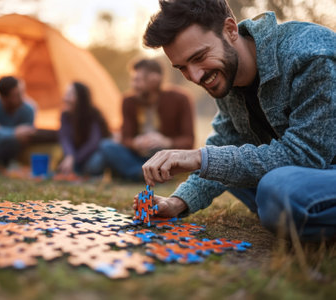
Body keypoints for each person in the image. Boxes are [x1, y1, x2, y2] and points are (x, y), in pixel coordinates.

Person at [136, 0, 336, 241]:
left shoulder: (310, 53)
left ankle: (282, 208)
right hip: (309, 176)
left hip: (317, 166)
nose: (195, 76)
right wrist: (177, 202)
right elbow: (226, 143)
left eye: (199, 56)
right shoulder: (227, 76)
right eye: (182, 68)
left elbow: (306, 155)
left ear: (230, 30)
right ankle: (284, 210)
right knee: (227, 167)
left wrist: (199, 157)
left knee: (277, 188)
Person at [100, 58, 195, 181]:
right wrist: (136, 143)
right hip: (138, 155)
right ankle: (147, 174)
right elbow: (125, 138)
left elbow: (189, 141)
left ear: (155, 79)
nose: (133, 85)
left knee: (172, 156)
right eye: (133, 80)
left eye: (137, 80)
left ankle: (139, 173)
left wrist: (167, 142)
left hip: (165, 154)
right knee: (107, 145)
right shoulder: (128, 101)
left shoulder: (181, 99)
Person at [58, 82, 111, 176]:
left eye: (70, 95)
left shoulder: (93, 114)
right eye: (66, 94)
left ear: (81, 98)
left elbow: (94, 142)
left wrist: (74, 159)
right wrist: (70, 155)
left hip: (93, 153)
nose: (65, 98)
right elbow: (64, 138)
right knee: (63, 163)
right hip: (76, 154)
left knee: (95, 164)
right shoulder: (65, 115)